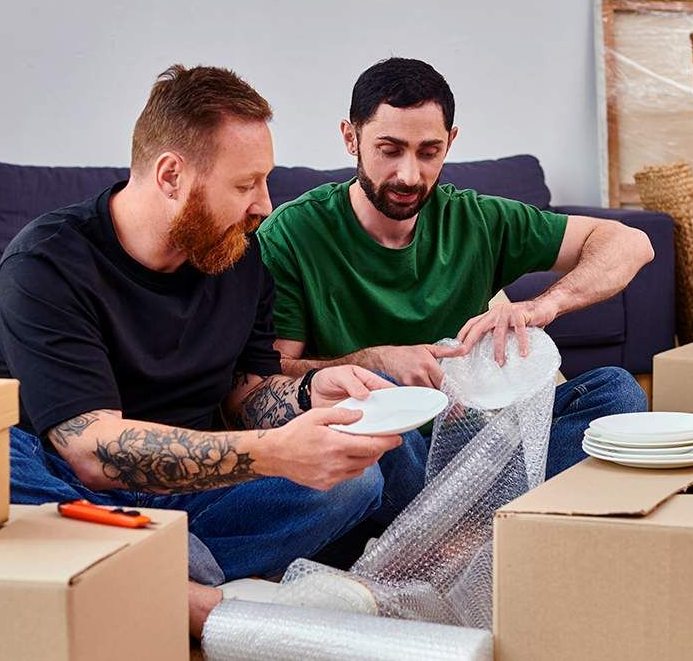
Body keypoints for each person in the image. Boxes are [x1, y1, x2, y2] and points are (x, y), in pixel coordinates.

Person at [0, 64, 417, 637]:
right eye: (245, 185)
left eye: (264, 181)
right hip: (74, 489)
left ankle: (139, 573)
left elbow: (247, 393)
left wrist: (309, 395)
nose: (264, 205)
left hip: (195, 499)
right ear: (170, 175)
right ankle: (192, 594)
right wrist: (273, 453)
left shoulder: (239, 257)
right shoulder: (47, 263)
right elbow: (88, 449)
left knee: (357, 477)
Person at [257, 57, 653, 478]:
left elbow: (630, 243)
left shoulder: (475, 220)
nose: (409, 175)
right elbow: (265, 379)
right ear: (350, 138)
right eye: (389, 150)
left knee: (615, 391)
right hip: (381, 448)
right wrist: (373, 362)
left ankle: (464, 520)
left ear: (451, 140)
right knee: (385, 431)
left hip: (474, 438)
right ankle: (486, 518)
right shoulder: (294, 233)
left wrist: (541, 307)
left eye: (429, 152)